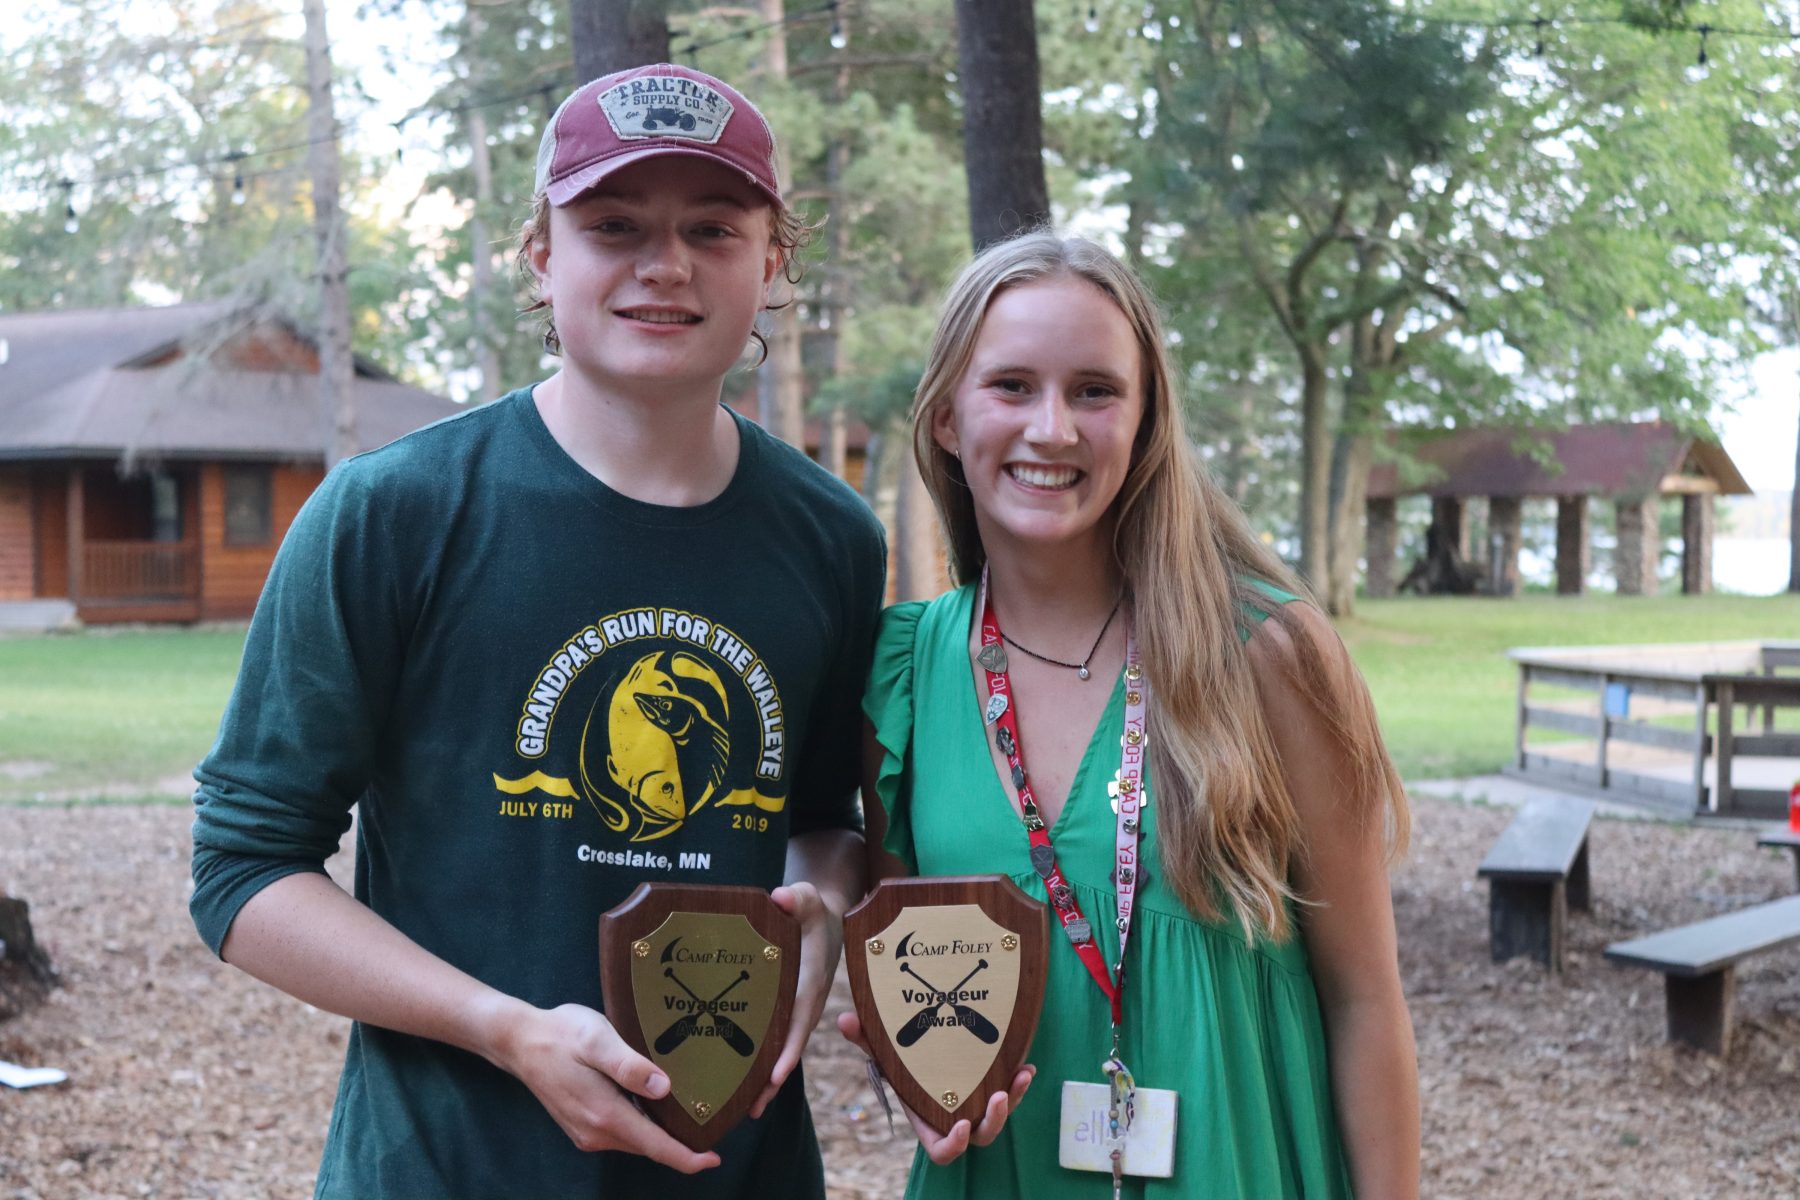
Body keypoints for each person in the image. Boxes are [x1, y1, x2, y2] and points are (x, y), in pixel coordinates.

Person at [188, 64, 885, 1200]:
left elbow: (816, 821)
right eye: (615, 225)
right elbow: (243, 871)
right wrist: (502, 1027)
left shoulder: (832, 539)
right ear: (541, 254)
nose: (665, 264)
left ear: (771, 263)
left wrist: (825, 907)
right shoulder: (394, 512)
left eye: (713, 227)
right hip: (445, 1167)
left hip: (744, 1170)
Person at [845, 232, 1419, 1198]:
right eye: (1013, 386)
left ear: (1148, 418)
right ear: (946, 416)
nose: (1054, 428)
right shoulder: (905, 674)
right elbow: (909, 995)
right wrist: (907, 1076)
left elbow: (1366, 1002)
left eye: (1096, 392)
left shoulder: (1268, 652)